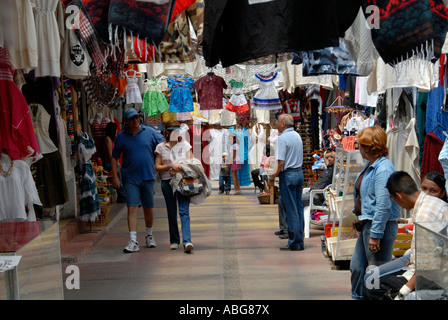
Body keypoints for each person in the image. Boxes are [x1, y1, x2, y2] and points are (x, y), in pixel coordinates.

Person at [364, 171, 448, 300]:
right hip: (421, 266)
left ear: (399, 196)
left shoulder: (424, 216)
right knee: (372, 277)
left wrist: (403, 293)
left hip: (435, 279)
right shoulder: (429, 203)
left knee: (373, 286)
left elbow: (426, 269)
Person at [350, 125, 401, 299]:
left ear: (370, 147)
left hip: (378, 226)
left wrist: (376, 234)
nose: (359, 148)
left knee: (375, 273)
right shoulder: (372, 165)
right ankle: (359, 297)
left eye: (361, 145)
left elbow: (383, 204)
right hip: (369, 224)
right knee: (358, 267)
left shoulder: (383, 169)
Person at [111, 108, 164, 253]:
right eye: (132, 119)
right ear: (126, 121)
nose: (136, 120)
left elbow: (163, 146)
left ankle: (149, 235)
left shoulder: (150, 132)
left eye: (137, 118)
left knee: (148, 207)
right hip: (130, 178)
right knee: (132, 207)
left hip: (148, 176)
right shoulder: (121, 137)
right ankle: (133, 240)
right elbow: (114, 157)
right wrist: (115, 176)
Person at [155, 120, 195, 253]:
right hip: (167, 183)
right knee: (171, 212)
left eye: (176, 130)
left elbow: (192, 163)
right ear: (166, 131)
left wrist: (179, 168)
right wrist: (170, 166)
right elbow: (158, 166)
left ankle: (187, 241)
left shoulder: (185, 145)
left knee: (184, 211)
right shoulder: (161, 147)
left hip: (183, 181)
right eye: (171, 130)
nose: (174, 133)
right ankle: (174, 240)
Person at [268, 114, 304, 251]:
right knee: (298, 208)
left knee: (291, 210)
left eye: (277, 121)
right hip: (298, 173)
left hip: (288, 175)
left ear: (283, 124)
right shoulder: (297, 136)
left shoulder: (283, 138)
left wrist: (272, 177)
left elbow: (281, 162)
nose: (276, 123)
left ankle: (294, 242)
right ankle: (299, 240)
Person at [104, 122, 126, 203]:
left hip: (116, 163)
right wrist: (115, 166)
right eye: (116, 129)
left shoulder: (113, 139)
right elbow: (110, 154)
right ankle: (122, 196)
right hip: (111, 164)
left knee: (121, 179)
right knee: (118, 179)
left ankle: (122, 196)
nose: (117, 130)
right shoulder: (108, 139)